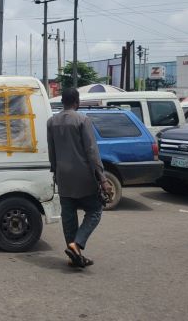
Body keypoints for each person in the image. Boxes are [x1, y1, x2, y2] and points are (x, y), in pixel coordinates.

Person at [47, 87, 113, 268]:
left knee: (69, 217)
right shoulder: (83, 120)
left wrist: (55, 173)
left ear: (63, 102)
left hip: (63, 176)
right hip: (83, 176)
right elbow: (92, 151)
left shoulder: (51, 122)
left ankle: (74, 256)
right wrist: (103, 178)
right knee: (95, 211)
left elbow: (52, 152)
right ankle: (77, 244)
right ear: (77, 102)